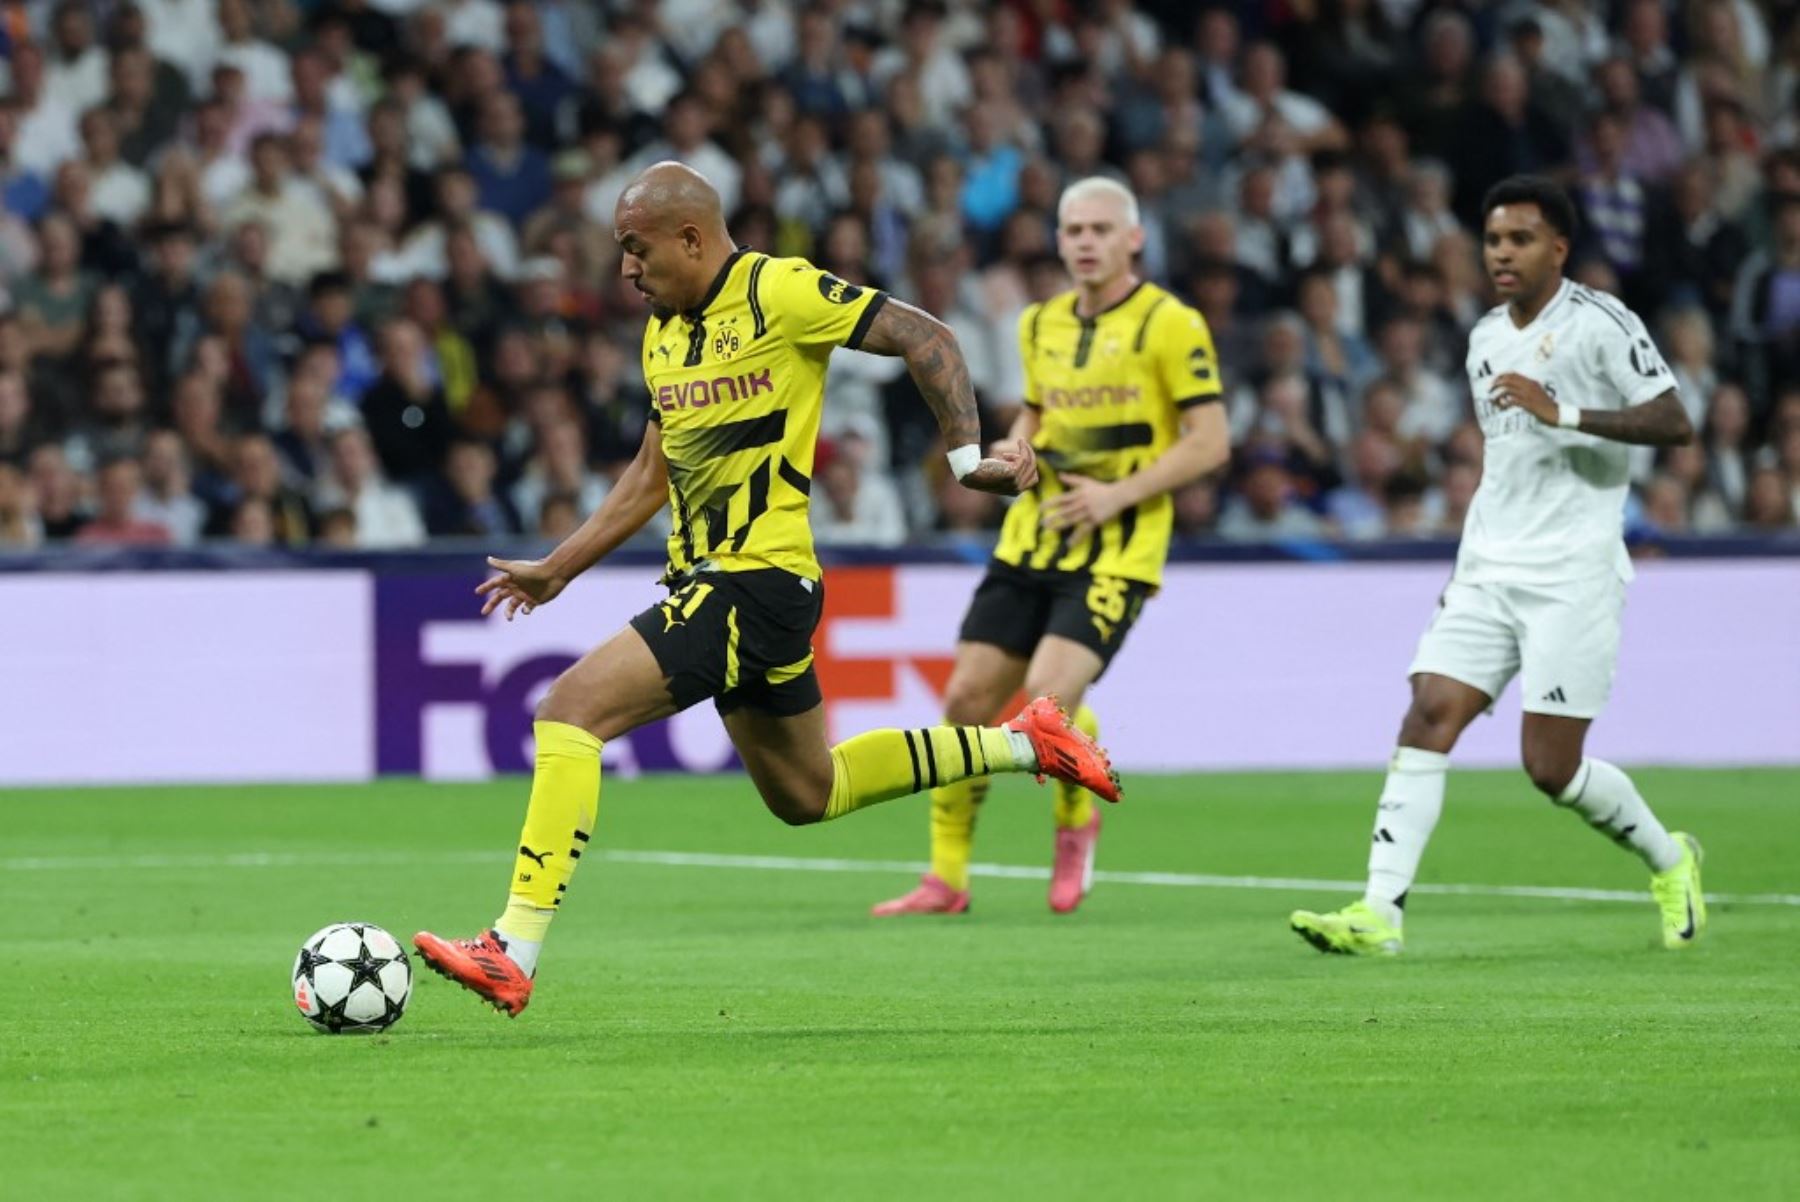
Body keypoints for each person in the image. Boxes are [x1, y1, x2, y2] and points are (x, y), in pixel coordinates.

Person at [413, 163, 1119, 1017]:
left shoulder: (778, 290)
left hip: (754, 578)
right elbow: (651, 469)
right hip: (733, 588)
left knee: (569, 711)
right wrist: (560, 567)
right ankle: (1027, 742)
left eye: (636, 251)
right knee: (806, 794)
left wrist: (968, 459)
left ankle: (511, 947)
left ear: (691, 238)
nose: (626, 271)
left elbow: (926, 336)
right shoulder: (663, 336)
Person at [1289, 176, 1705, 957]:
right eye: (1492, 240)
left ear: (1559, 247)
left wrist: (1567, 412)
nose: (1502, 254)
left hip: (1572, 574)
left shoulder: (1601, 323)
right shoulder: (1484, 337)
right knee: (1428, 713)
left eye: (1519, 239)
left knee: (1551, 768)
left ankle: (1670, 855)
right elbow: (1505, 461)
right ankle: (1379, 914)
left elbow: (1675, 421)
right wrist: (1466, 564)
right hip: (1488, 567)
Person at [872, 176, 1228, 918]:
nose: (1087, 243)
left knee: (1045, 705)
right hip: (1033, 536)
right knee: (967, 700)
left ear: (1134, 238)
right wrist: (1014, 450)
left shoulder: (1171, 324)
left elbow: (1210, 444)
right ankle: (947, 878)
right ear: (1059, 241)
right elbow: (1036, 415)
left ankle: (1074, 820)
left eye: (1102, 229)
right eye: (1074, 231)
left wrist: (1114, 496)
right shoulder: (1038, 324)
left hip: (1117, 547)